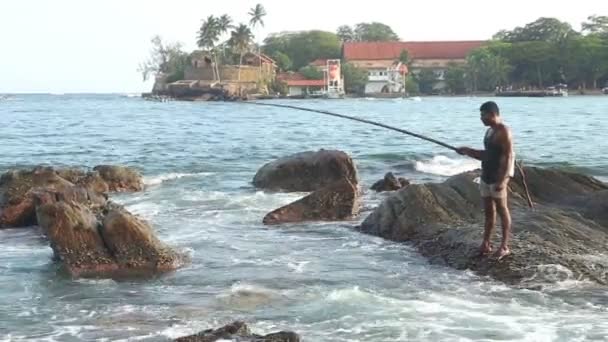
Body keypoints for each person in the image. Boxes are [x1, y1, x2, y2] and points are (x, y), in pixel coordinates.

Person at [457, 101, 514, 260]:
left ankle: (504, 246)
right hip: (486, 175)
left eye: (483, 115)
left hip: (498, 177)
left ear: (492, 114)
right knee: (489, 212)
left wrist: (503, 180)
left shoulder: (504, 131)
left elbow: (509, 157)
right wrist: (467, 151)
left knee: (502, 210)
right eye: (481, 115)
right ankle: (486, 242)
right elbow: (486, 154)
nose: (481, 118)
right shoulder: (489, 132)